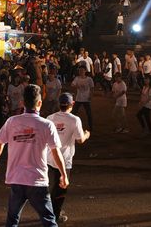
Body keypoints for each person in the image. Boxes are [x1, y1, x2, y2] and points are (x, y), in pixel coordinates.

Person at [0, 84, 69, 227]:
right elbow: (56, 152)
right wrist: (63, 174)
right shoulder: (46, 125)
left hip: (16, 179)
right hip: (37, 180)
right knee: (49, 220)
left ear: (22, 102)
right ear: (39, 103)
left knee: (12, 219)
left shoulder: (12, 122)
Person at [47, 93, 90, 222]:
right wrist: (87, 134)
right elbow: (80, 139)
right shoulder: (74, 120)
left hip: (50, 157)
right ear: (72, 104)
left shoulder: (50, 118)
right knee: (61, 189)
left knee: (54, 185)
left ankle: (51, 210)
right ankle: (54, 215)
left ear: (59, 104)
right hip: (64, 160)